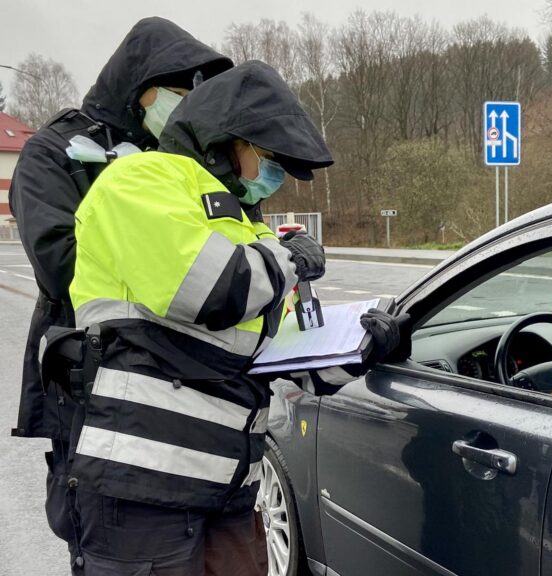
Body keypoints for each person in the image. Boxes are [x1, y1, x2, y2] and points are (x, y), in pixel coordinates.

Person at [52, 60, 401, 575]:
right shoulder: (140, 178)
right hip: (145, 485)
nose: (274, 176)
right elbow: (214, 289)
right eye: (269, 157)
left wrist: (355, 351)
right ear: (227, 140)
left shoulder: (242, 223)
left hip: (230, 489)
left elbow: (269, 351)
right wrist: (290, 259)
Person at [9, 16, 233, 564]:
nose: (186, 106)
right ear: (144, 89)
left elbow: (219, 249)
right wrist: (168, 268)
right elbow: (62, 264)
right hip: (89, 387)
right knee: (112, 542)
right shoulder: (52, 153)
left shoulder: (178, 160)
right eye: (180, 92)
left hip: (178, 389)